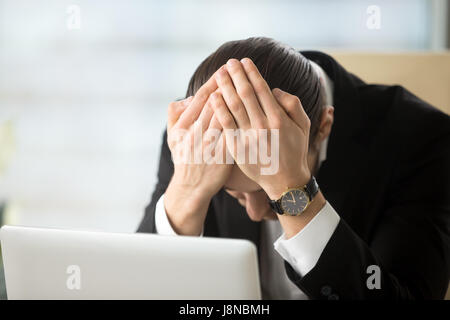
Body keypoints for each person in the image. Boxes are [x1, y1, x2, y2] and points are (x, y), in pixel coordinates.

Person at [137, 37, 450, 300]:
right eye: (234, 193)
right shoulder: (192, 136)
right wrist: (187, 192)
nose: (255, 213)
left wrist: (294, 193)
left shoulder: (422, 139)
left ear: (324, 126)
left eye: (263, 190)